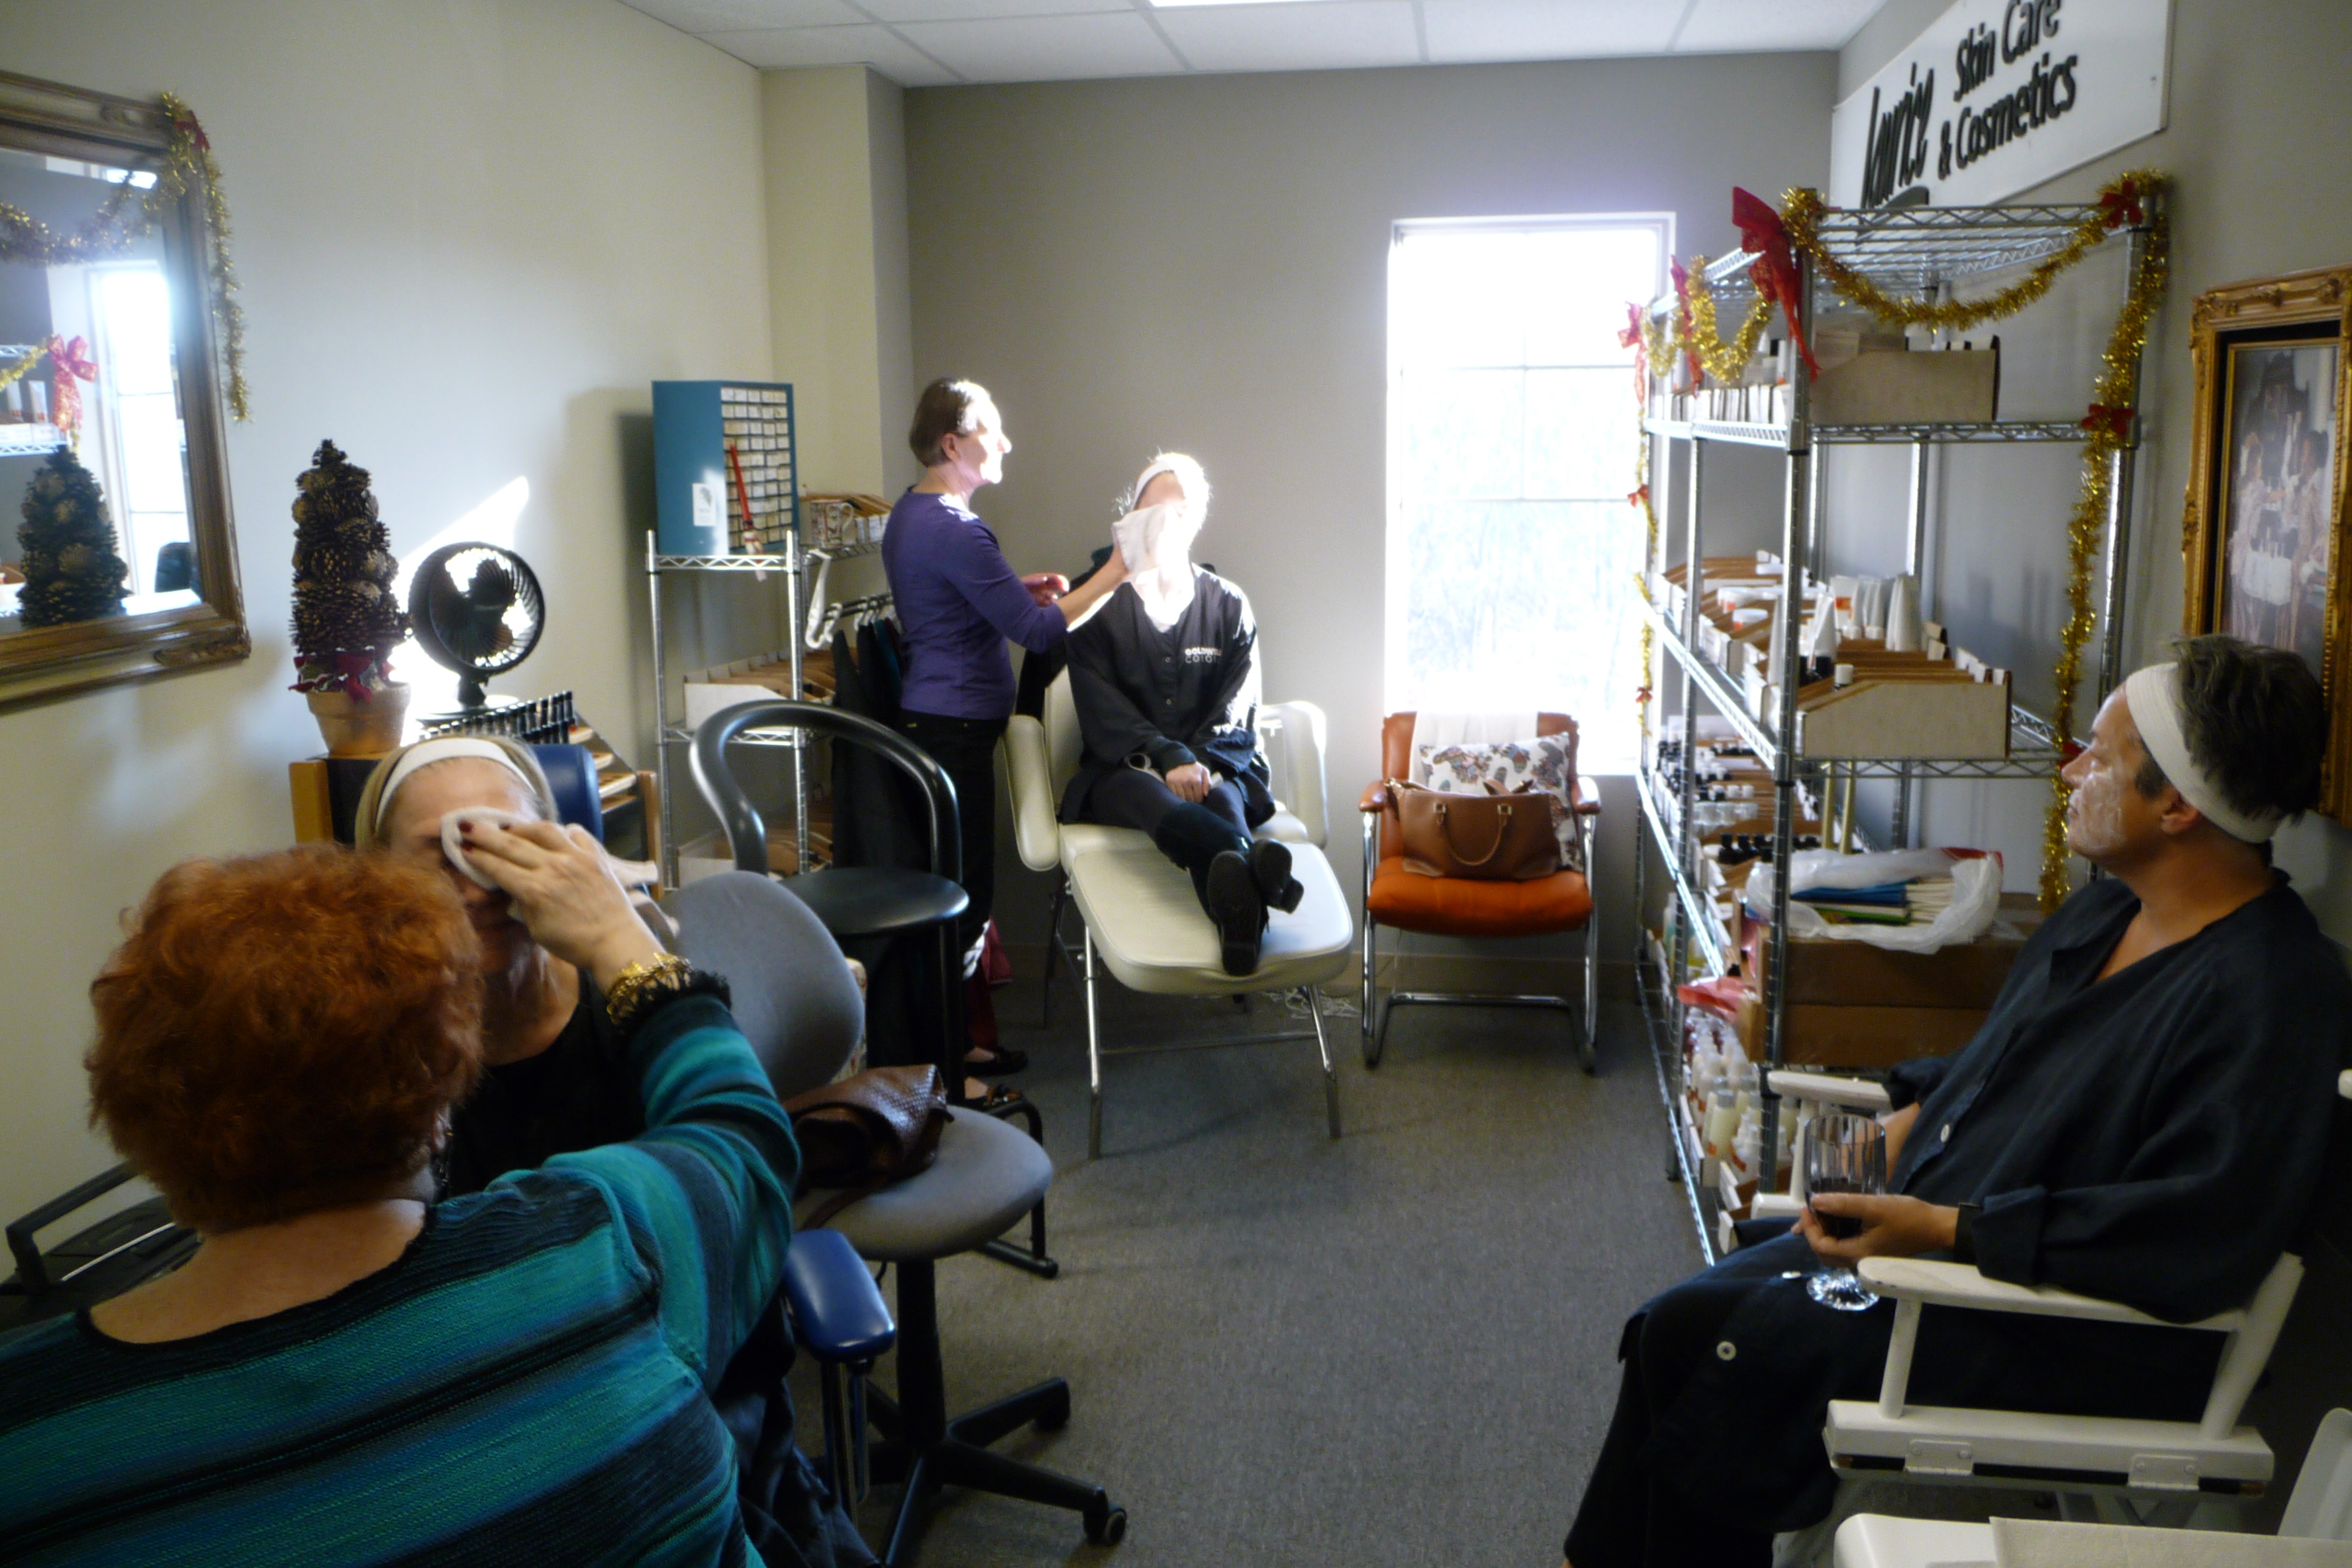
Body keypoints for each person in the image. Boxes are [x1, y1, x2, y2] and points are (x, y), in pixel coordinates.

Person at [1561, 634, 2351, 1568]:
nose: (2071, 772)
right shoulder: (2109, 912)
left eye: (2100, 758)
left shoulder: (2272, 993)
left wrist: (1942, 1229)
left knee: (1717, 1348)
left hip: (2056, 1322)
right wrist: (1902, 1131)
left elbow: (2192, 1236)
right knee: (1669, 1328)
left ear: (2177, 805)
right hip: (1942, 1243)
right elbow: (1994, 1066)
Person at [0, 836, 798, 1565]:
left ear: (139, 1113)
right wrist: (624, 939)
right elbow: (742, 1131)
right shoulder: (600, 1249)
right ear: (440, 1100)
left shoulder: (31, 1428)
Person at [354, 734, 871, 1567]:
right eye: (443, 853)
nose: (479, 881)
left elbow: (735, 1195)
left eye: (506, 842)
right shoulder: (379, 1070)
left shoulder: (638, 1011)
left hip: (690, 1406)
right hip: (495, 1438)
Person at [882, 378, 1128, 1087]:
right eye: (992, 430)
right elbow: (1040, 633)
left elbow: (942, 602)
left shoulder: (914, 514)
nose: (1007, 442)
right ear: (952, 443)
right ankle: (948, 1073)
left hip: (940, 724)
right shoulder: (956, 528)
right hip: (953, 732)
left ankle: (960, 1047)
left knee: (958, 894)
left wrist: (1008, 590)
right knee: (963, 902)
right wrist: (1116, 573)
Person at [1061, 454, 1301, 976]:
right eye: (1155, 509)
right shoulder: (1096, 602)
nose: (1167, 522)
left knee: (1222, 797)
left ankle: (1240, 931)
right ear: (1132, 514)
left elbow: (1237, 706)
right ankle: (1257, 868)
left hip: (1216, 765)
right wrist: (1167, 757)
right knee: (1150, 796)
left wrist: (1200, 764)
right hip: (1125, 771)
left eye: (1181, 511)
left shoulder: (1229, 605)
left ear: (1198, 520)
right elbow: (1102, 706)